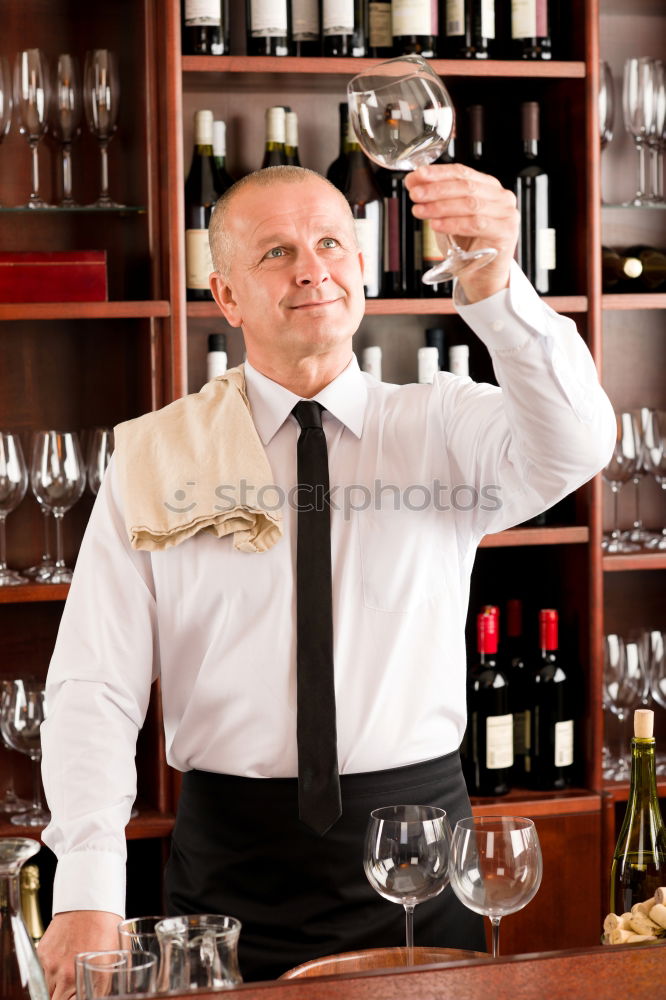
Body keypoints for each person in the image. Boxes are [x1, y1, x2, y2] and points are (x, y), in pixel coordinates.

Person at [38, 163, 615, 998]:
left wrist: (494, 281)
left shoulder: (443, 427)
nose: (312, 267)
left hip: (420, 857)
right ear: (226, 295)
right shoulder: (156, 458)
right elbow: (94, 683)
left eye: (330, 243)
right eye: (276, 252)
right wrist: (85, 884)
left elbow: (578, 441)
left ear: (362, 267)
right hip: (226, 869)